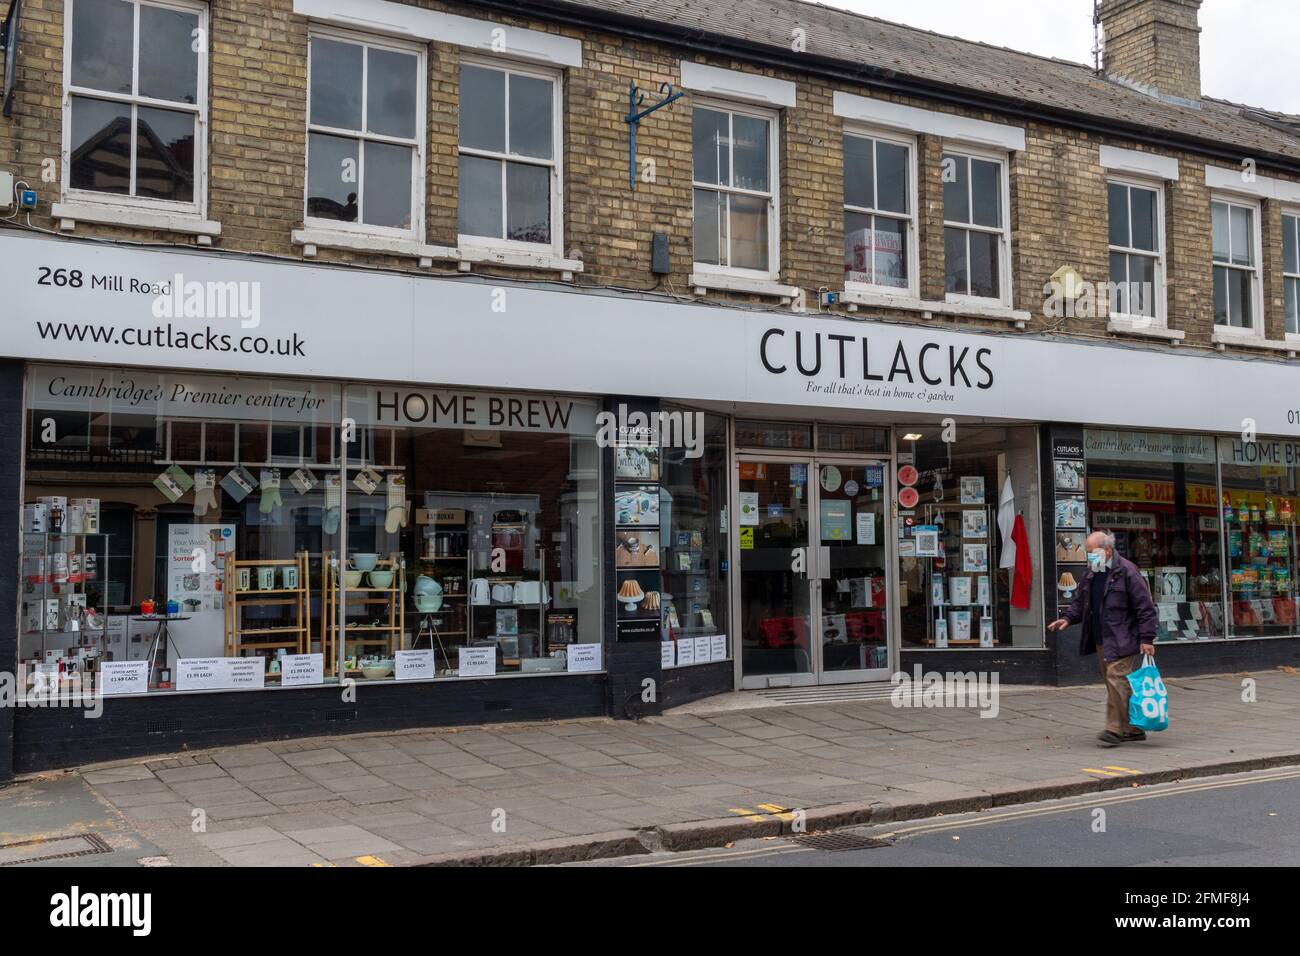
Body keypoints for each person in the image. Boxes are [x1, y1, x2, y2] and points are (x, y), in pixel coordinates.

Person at [1048, 530, 1157, 747]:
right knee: (1114, 682)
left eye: (1091, 552)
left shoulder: (1127, 571)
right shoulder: (1092, 572)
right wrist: (1068, 619)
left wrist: (1147, 638)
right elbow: (1080, 601)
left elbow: (1145, 607)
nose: (1089, 556)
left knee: (1116, 678)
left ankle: (1114, 729)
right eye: (1088, 552)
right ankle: (1132, 728)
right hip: (1101, 637)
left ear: (1107, 549)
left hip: (1123, 636)